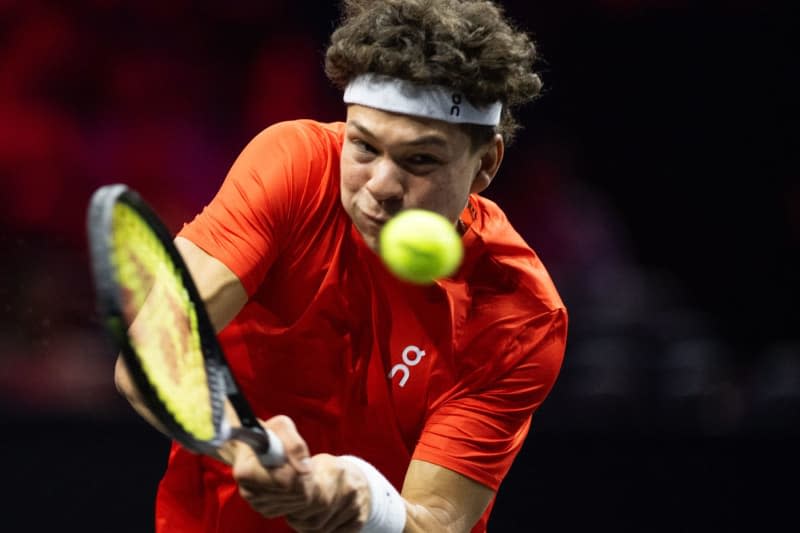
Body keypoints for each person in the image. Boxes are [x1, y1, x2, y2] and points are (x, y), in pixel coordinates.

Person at [114, 1, 567, 531]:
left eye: (420, 160)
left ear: (485, 163)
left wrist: (363, 505)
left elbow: (438, 521)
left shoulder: (520, 313)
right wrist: (242, 444)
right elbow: (151, 355)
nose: (380, 187)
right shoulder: (294, 166)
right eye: (363, 147)